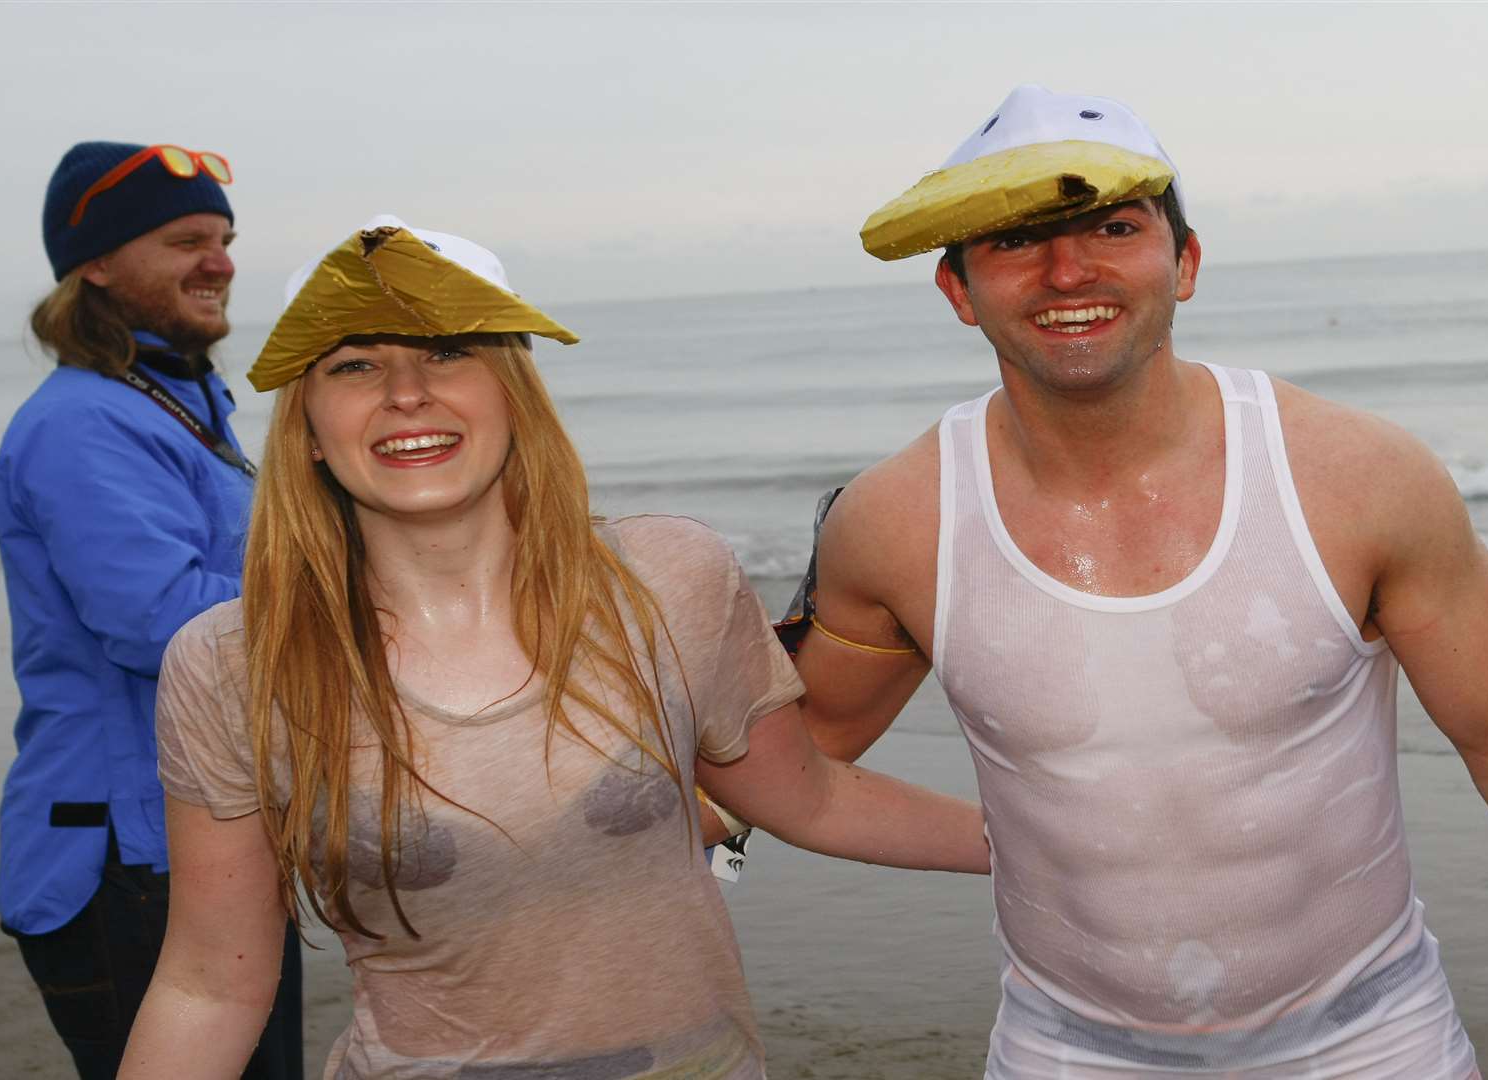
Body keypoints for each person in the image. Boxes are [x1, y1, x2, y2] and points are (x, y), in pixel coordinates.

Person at [790, 85, 1488, 1079]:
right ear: (958, 289)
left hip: (1374, 1038)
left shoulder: (1356, 478)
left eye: (1113, 226)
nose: (1068, 271)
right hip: (1068, 1051)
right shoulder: (894, 522)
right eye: (1015, 242)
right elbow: (791, 760)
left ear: (1183, 263)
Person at [118, 216, 989, 1079]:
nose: (406, 392)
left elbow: (813, 800)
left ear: (514, 392)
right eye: (355, 365)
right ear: (308, 426)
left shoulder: (668, 579)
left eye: (450, 351)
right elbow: (209, 986)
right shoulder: (235, 665)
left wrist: (1054, 844)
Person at [0, 141, 301, 1079]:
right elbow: (161, 622)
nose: (220, 262)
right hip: (123, 859)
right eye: (183, 241)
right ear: (94, 263)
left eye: (224, 237)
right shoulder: (85, 421)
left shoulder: (180, 402)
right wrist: (364, 601)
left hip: (203, 834)